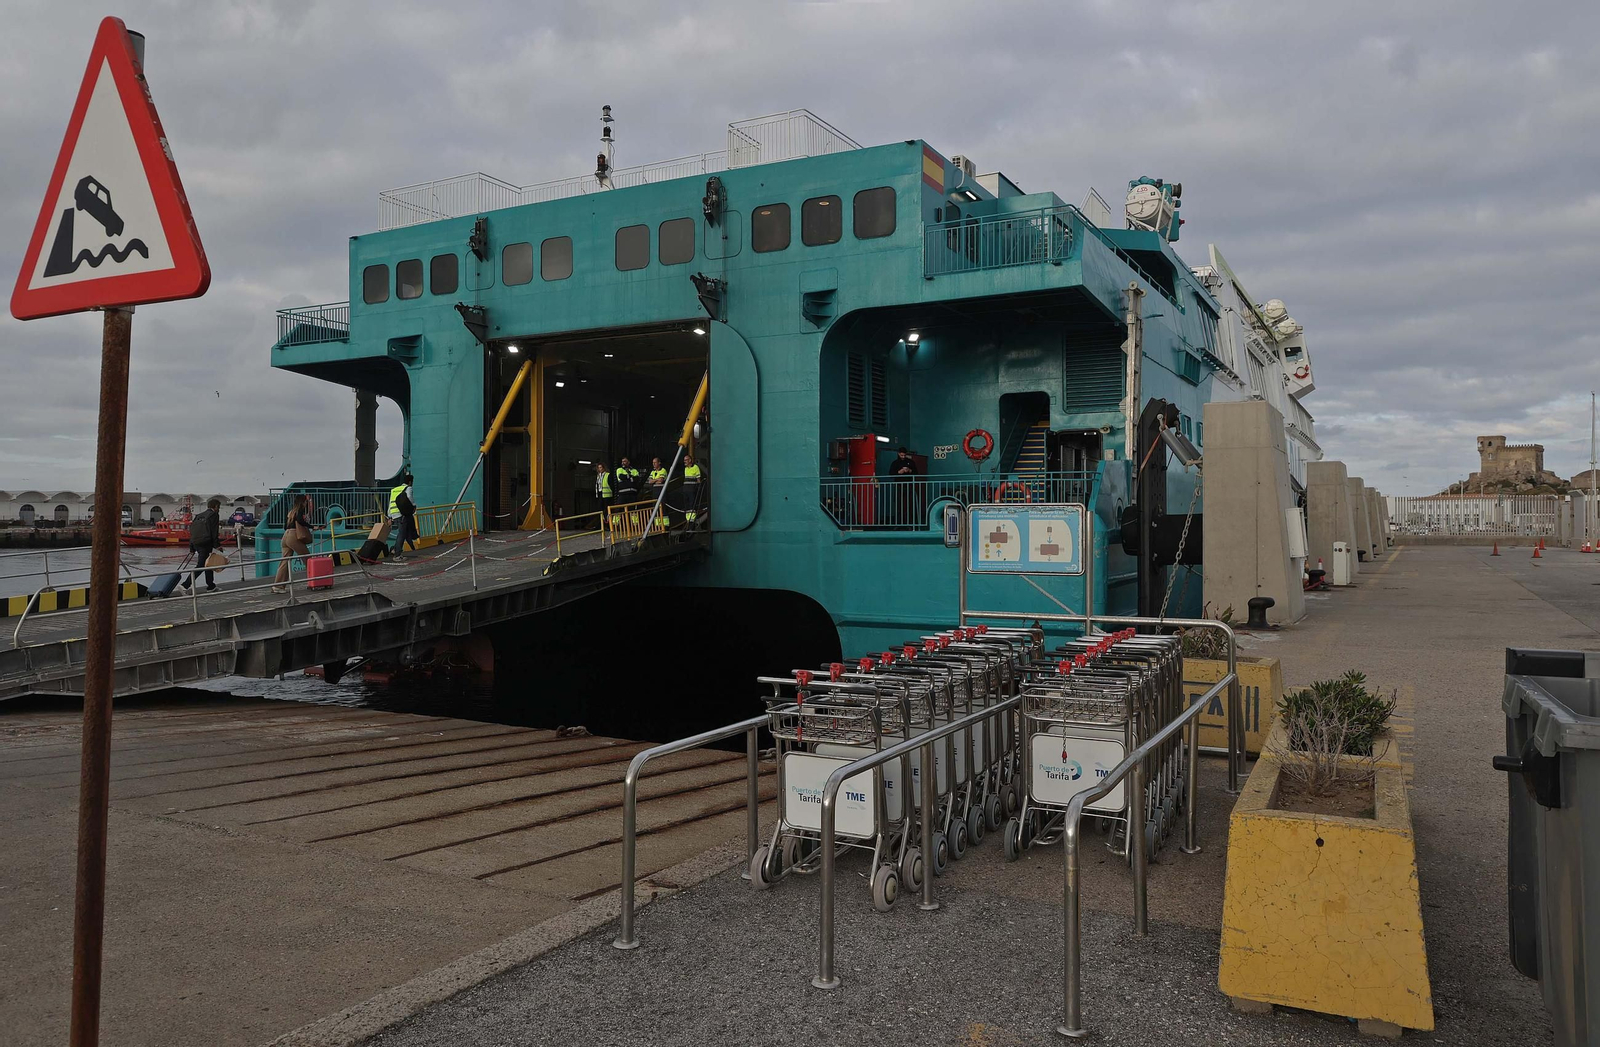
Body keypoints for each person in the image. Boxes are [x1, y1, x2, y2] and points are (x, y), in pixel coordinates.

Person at [273, 493, 314, 593]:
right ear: (303, 502)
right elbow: (300, 520)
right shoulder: (300, 510)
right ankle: (315, 582)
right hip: (293, 536)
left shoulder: (291, 512)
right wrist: (312, 527)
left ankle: (278, 586)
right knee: (308, 559)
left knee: (285, 561)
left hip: (285, 536)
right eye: (305, 502)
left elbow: (285, 526)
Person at [183, 497, 222, 593]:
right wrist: (217, 545)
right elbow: (214, 531)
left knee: (207, 564)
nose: (219, 509)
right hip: (206, 543)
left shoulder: (199, 515)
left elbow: (193, 531)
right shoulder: (214, 515)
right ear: (216, 506)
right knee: (201, 565)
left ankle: (211, 586)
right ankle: (185, 585)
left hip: (196, 542)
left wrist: (191, 548)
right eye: (219, 507)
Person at [389, 471, 417, 560]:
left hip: (394, 514)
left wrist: (389, 516)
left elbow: (390, 503)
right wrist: (414, 506)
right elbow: (409, 498)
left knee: (402, 532)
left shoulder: (394, 490)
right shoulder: (408, 488)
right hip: (402, 514)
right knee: (402, 534)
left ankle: (395, 548)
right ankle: (397, 555)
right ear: (410, 482)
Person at [681, 453, 705, 524]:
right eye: (684, 460)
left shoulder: (695, 467)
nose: (684, 461)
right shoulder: (685, 469)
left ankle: (692, 519)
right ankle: (688, 519)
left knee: (692, 503)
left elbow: (698, 479)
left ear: (690, 460)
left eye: (686, 460)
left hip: (692, 489)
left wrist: (699, 487)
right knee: (686, 504)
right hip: (685, 489)